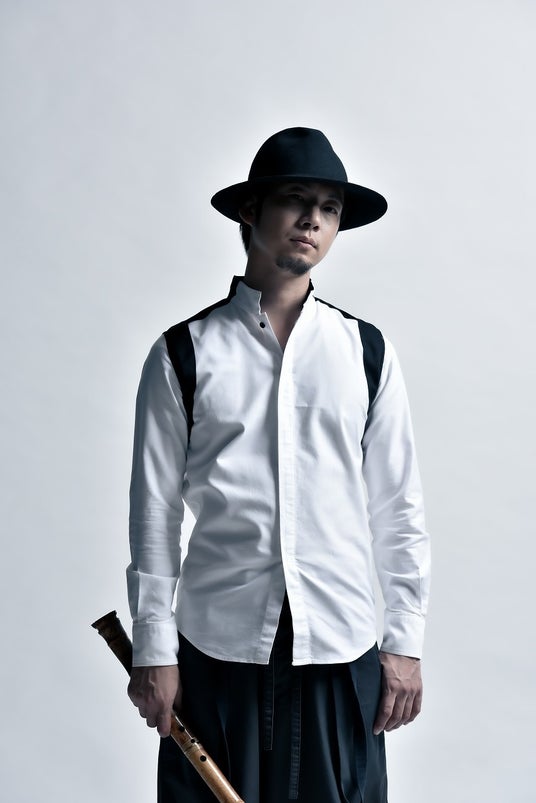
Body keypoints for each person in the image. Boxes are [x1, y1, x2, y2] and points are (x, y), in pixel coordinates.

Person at [126, 127, 431, 803]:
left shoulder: (365, 351)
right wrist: (152, 646)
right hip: (218, 651)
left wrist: (405, 640)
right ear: (250, 210)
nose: (313, 219)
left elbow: (398, 506)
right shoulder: (184, 352)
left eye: (329, 207)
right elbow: (154, 512)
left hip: (339, 648)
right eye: (296, 199)